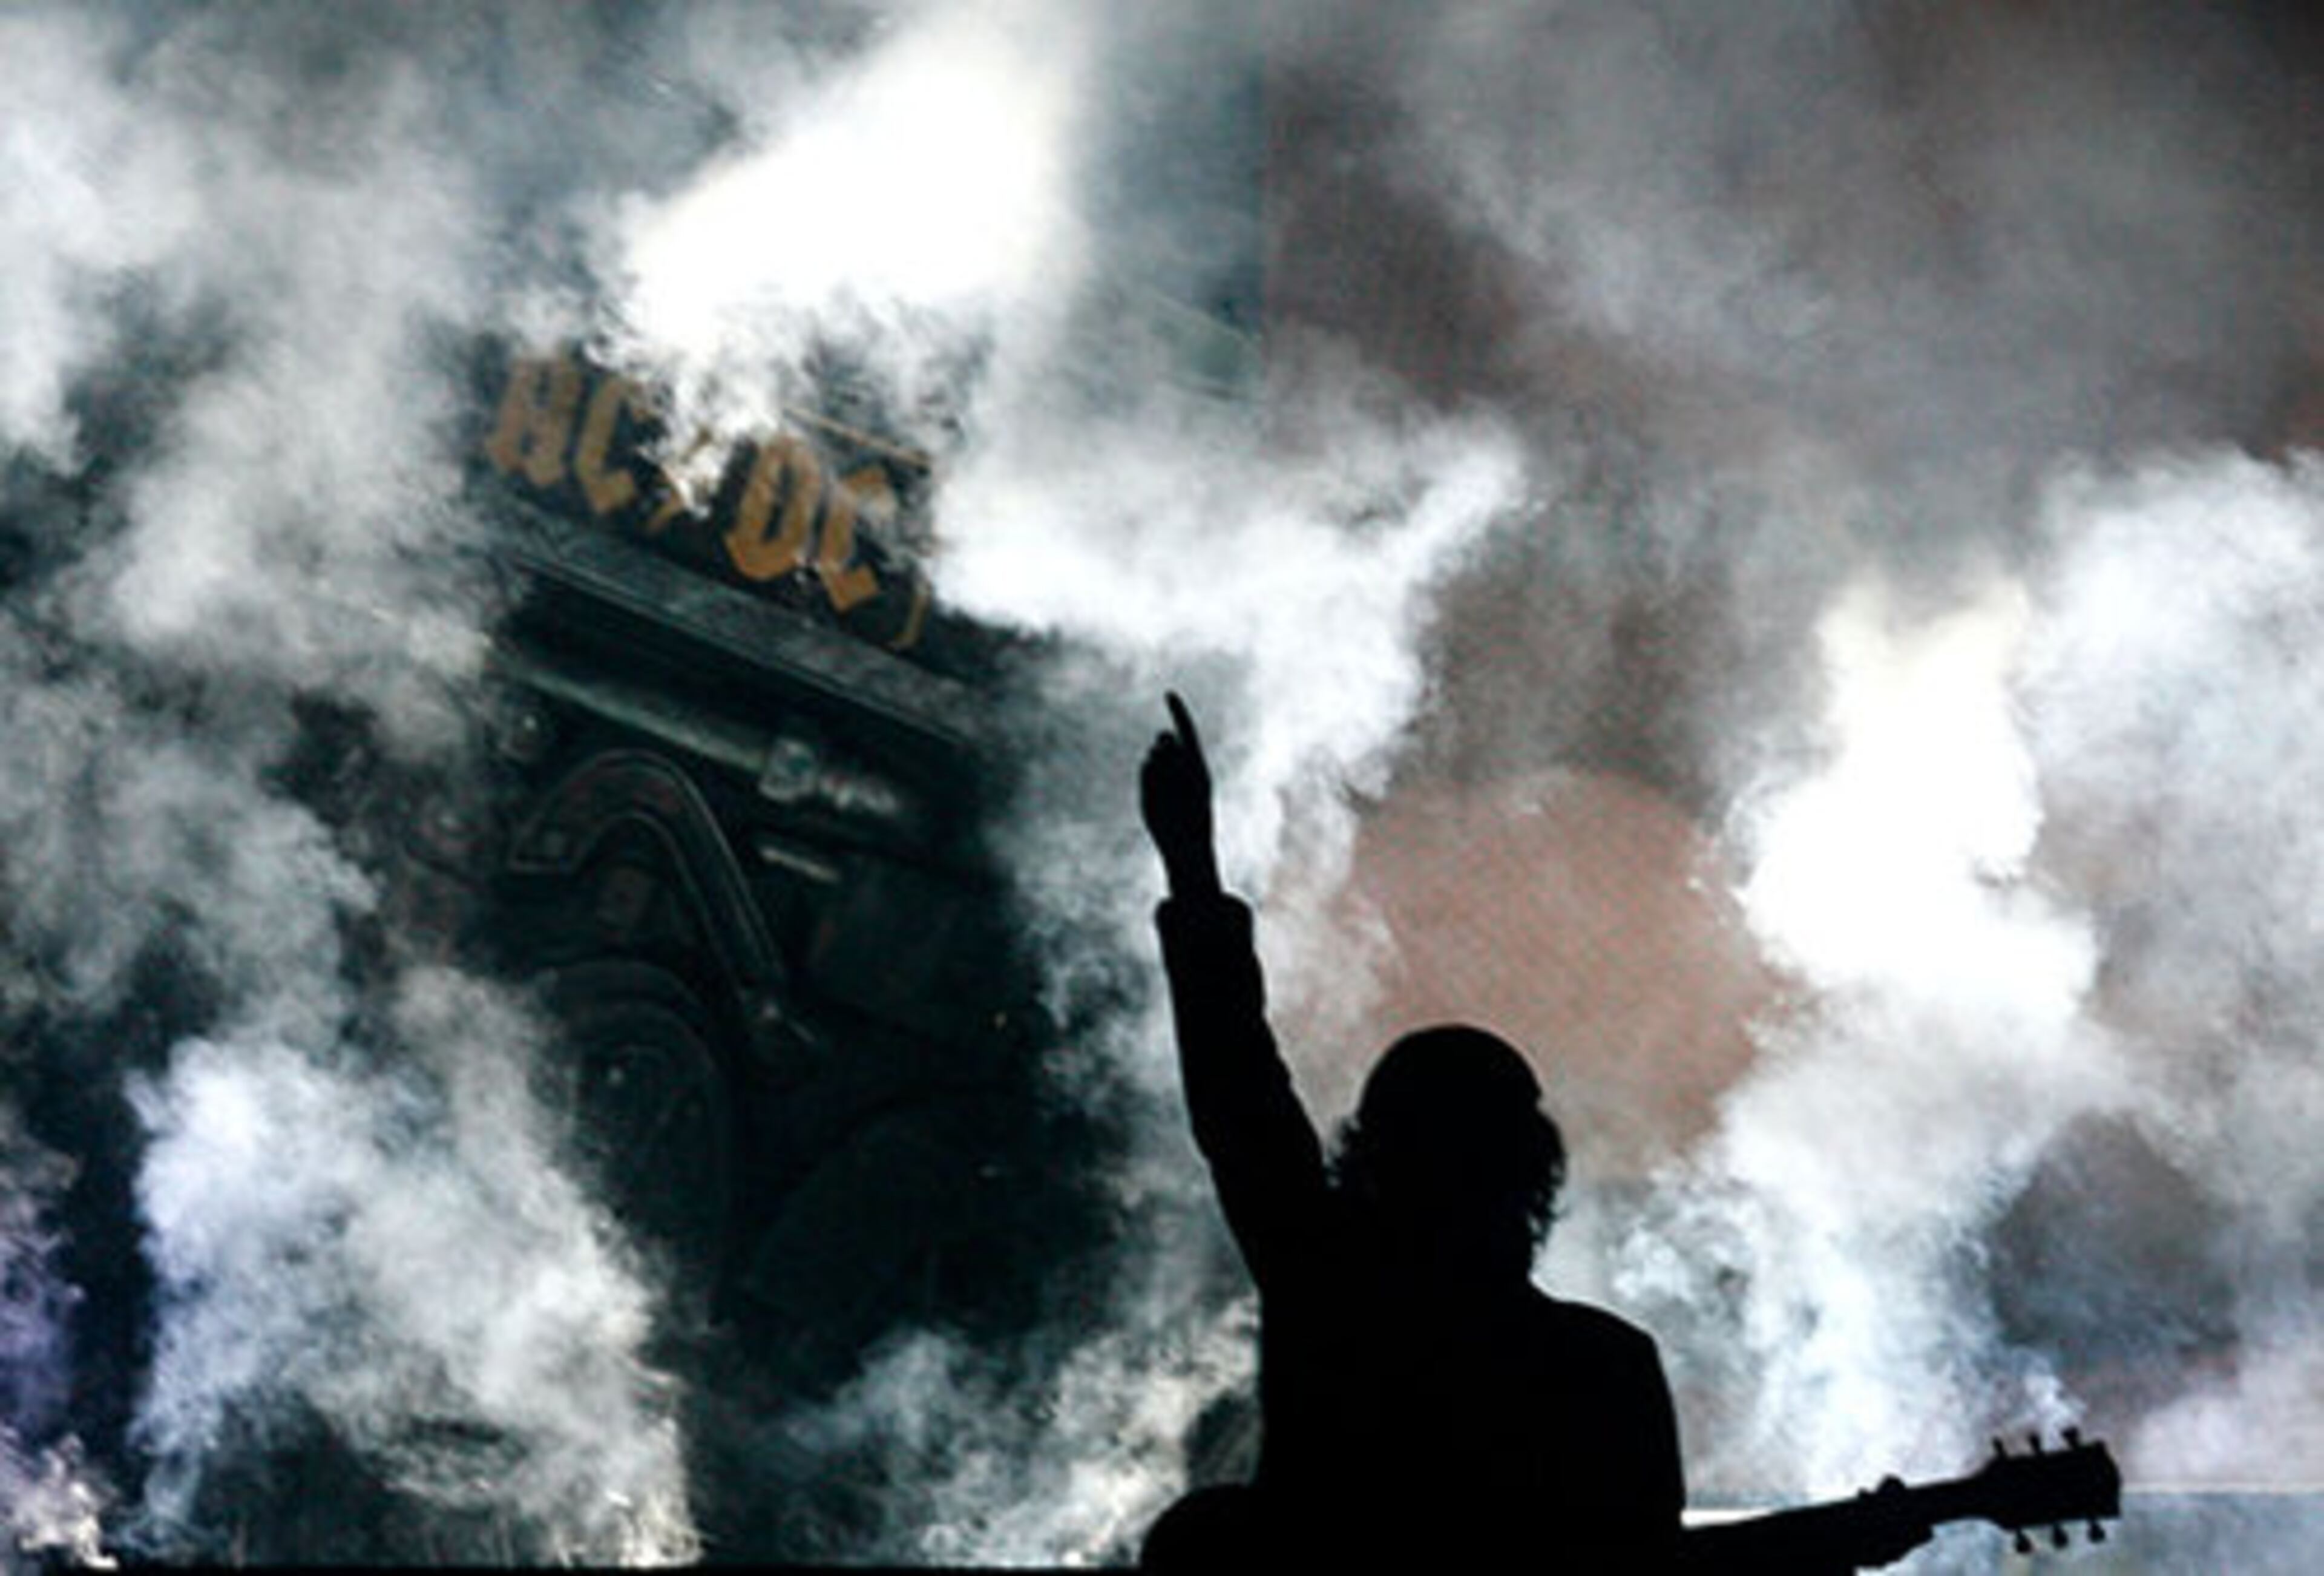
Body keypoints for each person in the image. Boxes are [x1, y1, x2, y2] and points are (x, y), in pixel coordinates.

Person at [1137, 693, 1685, 1571]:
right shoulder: (1604, 1368)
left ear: (1376, 1154)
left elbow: (1238, 1091)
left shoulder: (1325, 1284)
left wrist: (1193, 869)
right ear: (1529, 1171)